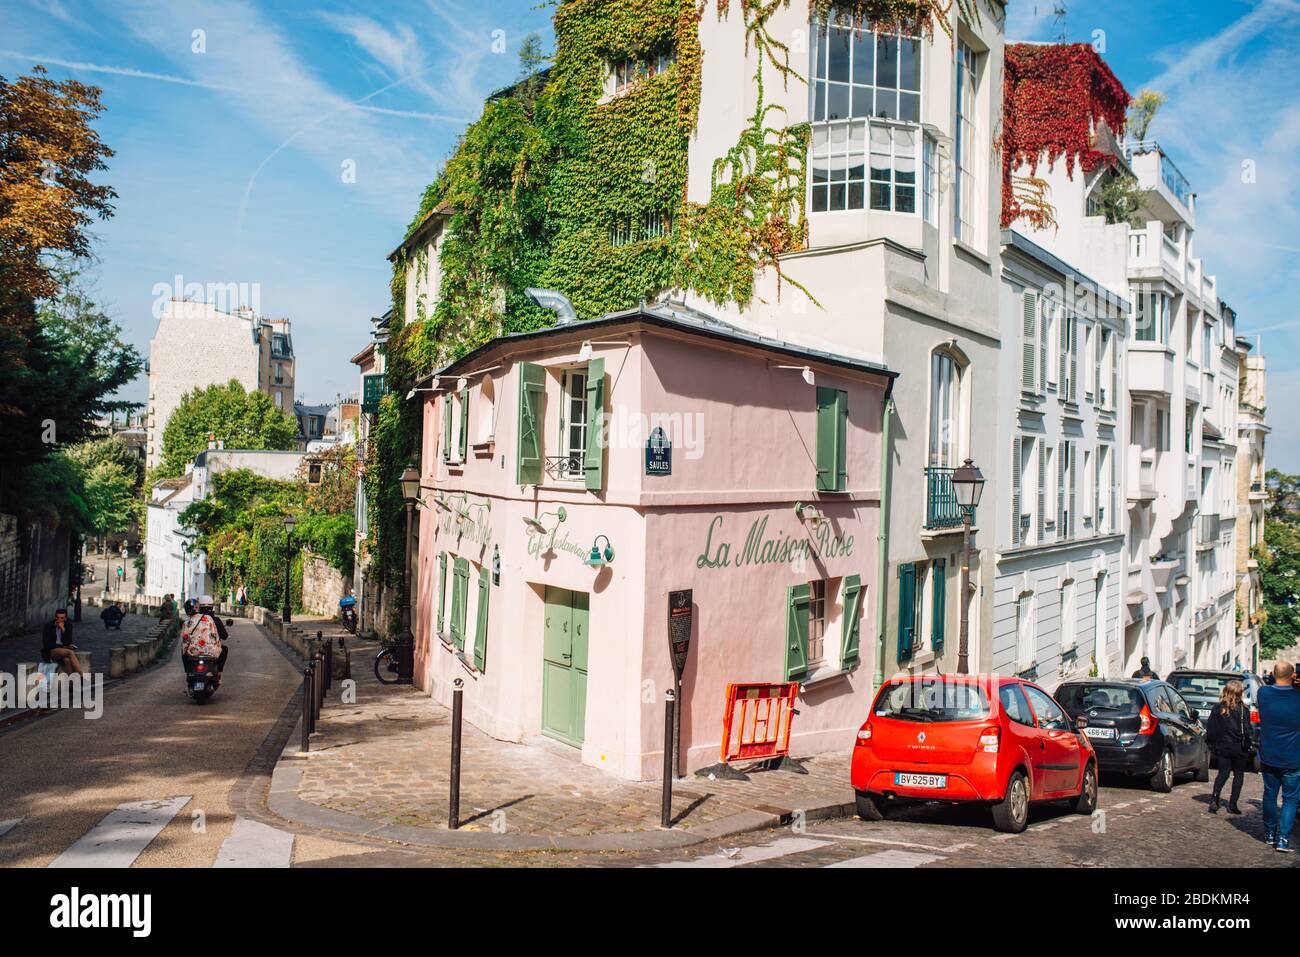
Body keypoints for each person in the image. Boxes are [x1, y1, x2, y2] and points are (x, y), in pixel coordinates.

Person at [1257, 661, 1300, 852]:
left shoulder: (1263, 694)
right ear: (1293, 675)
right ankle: (1283, 838)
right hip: (1293, 757)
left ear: (1273, 674)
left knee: (1270, 795)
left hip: (1269, 754)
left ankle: (1269, 834)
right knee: (1290, 798)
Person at [1206, 679, 1251, 815]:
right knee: (1239, 775)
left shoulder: (1218, 708)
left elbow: (1211, 729)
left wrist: (1212, 744)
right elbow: (1247, 730)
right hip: (1239, 747)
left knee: (1223, 773)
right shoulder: (1243, 710)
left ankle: (1214, 798)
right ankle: (1233, 803)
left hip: (1223, 746)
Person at [181, 594, 229, 677]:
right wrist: (217, 646)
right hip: (211, 652)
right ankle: (219, 672)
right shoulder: (209, 618)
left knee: (183, 651)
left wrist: (185, 651)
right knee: (224, 649)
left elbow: (185, 641)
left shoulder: (187, 623)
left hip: (193, 653)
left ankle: (188, 672)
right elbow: (216, 635)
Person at [41, 609, 84, 676]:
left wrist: (63, 629)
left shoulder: (68, 625)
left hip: (63, 651)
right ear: (55, 617)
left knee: (67, 660)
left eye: (62, 618)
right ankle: (81, 675)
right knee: (70, 652)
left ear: (66, 618)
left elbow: (67, 641)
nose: (59, 620)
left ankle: (70, 682)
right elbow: (46, 644)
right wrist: (62, 647)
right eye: (57, 617)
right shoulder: (48, 626)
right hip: (51, 651)